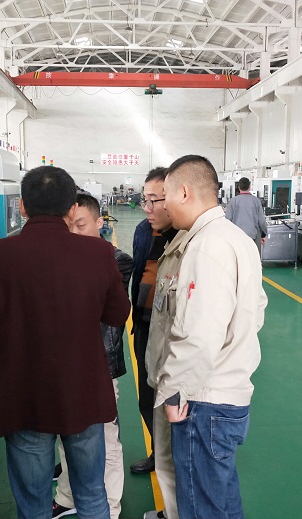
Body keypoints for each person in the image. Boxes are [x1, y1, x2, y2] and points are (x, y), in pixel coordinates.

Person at [0, 166, 131, 519]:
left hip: (23, 398)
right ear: (72, 208)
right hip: (83, 394)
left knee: (33, 504)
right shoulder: (98, 254)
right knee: (92, 495)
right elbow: (117, 314)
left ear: (22, 206)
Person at [155, 155, 268, 518]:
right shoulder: (237, 239)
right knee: (221, 500)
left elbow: (198, 335)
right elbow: (257, 309)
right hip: (230, 395)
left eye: (166, 195)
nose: (164, 206)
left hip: (203, 400)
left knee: (200, 506)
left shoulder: (205, 245)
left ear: (184, 192)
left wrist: (174, 390)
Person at [53, 193, 133, 519]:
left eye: (81, 225)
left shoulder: (118, 260)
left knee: (105, 439)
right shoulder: (61, 258)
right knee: (65, 434)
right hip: (64, 365)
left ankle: (110, 506)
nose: (73, 233)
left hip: (100, 365)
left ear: (100, 223)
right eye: (68, 226)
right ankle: (67, 496)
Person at [130, 166, 179, 475]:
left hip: (173, 331)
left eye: (153, 200)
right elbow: (139, 274)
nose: (147, 208)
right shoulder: (142, 230)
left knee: (172, 398)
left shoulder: (186, 237)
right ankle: (157, 453)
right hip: (145, 324)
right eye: (144, 200)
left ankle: (174, 459)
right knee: (146, 397)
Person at [224, 176, 267, 252]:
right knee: (252, 257)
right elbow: (261, 221)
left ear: (238, 187)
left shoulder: (233, 201)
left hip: (237, 236)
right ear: (250, 186)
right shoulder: (256, 201)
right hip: (253, 236)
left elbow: (228, 220)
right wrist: (264, 234)